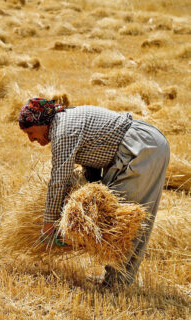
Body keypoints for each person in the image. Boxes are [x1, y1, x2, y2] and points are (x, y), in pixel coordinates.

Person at [18, 98, 170, 289]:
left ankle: (117, 283)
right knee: (114, 219)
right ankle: (114, 279)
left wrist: (48, 224)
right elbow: (92, 156)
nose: (31, 139)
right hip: (142, 144)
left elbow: (59, 180)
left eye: (31, 132)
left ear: (42, 122)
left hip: (143, 149)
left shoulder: (63, 131)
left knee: (122, 220)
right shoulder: (63, 121)